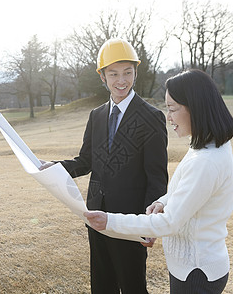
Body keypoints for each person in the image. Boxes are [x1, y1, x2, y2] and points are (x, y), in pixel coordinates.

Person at [85, 69, 233, 294]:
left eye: (173, 109)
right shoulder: (207, 146)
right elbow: (190, 191)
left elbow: (168, 223)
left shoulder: (206, 160)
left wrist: (109, 222)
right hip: (194, 269)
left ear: (195, 107)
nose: (168, 117)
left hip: (196, 274)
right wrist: (165, 201)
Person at [40, 38, 168, 294]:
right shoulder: (96, 115)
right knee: (101, 284)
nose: (121, 80)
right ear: (102, 77)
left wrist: (150, 222)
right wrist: (53, 168)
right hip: (96, 215)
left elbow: (156, 176)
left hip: (130, 220)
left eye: (128, 73)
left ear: (135, 72)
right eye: (114, 74)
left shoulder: (151, 118)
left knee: (132, 286)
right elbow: (86, 161)